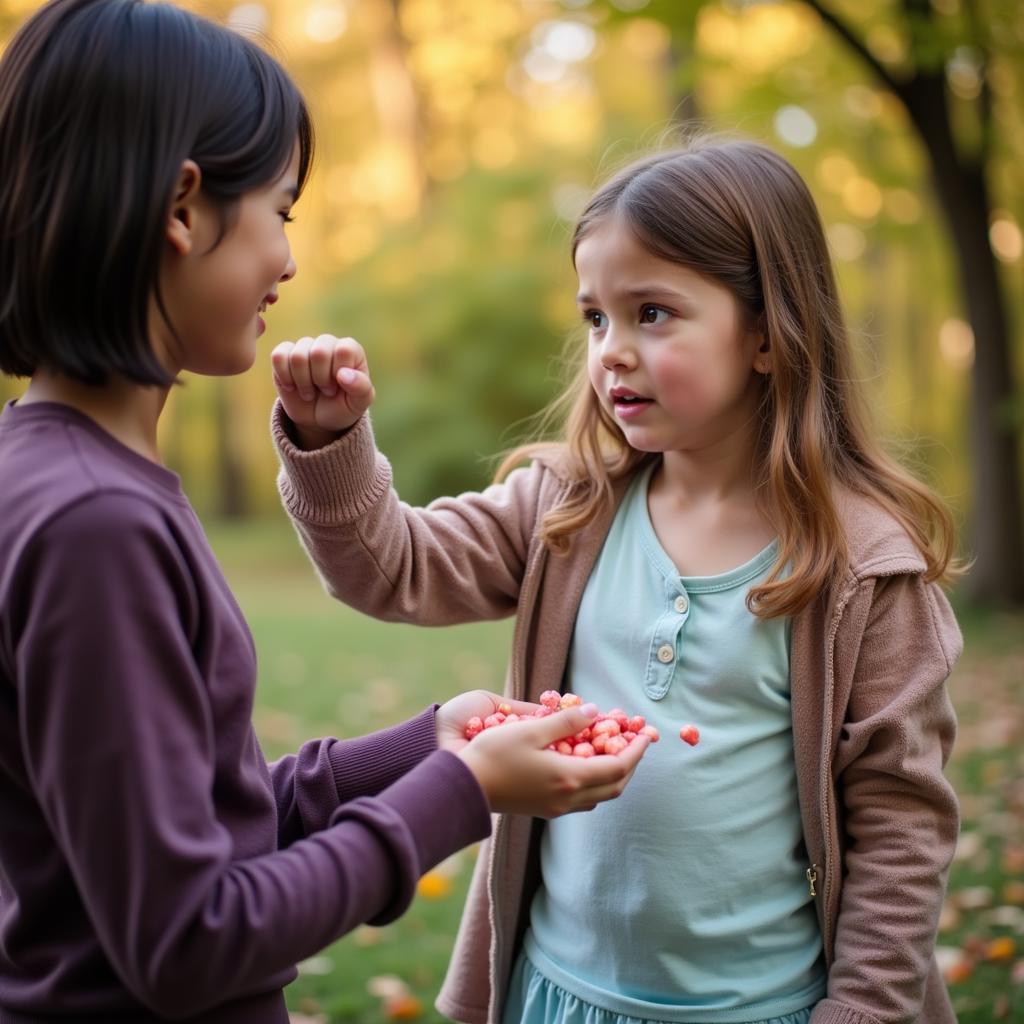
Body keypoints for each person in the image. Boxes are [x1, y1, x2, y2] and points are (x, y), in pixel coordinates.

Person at [0, 2, 651, 1022]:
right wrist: (464, 791)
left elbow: (206, 815)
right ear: (182, 206)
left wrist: (432, 740)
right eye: (281, 210)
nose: (289, 262)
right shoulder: (94, 523)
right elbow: (189, 937)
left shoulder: (57, 479)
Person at [270, 136, 963, 1024]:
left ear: (764, 332)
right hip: (558, 993)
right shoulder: (568, 507)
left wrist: (861, 1011)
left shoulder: (865, 569)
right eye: (596, 317)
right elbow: (391, 569)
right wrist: (331, 445)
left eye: (654, 313)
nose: (612, 351)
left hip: (762, 1008)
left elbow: (901, 831)